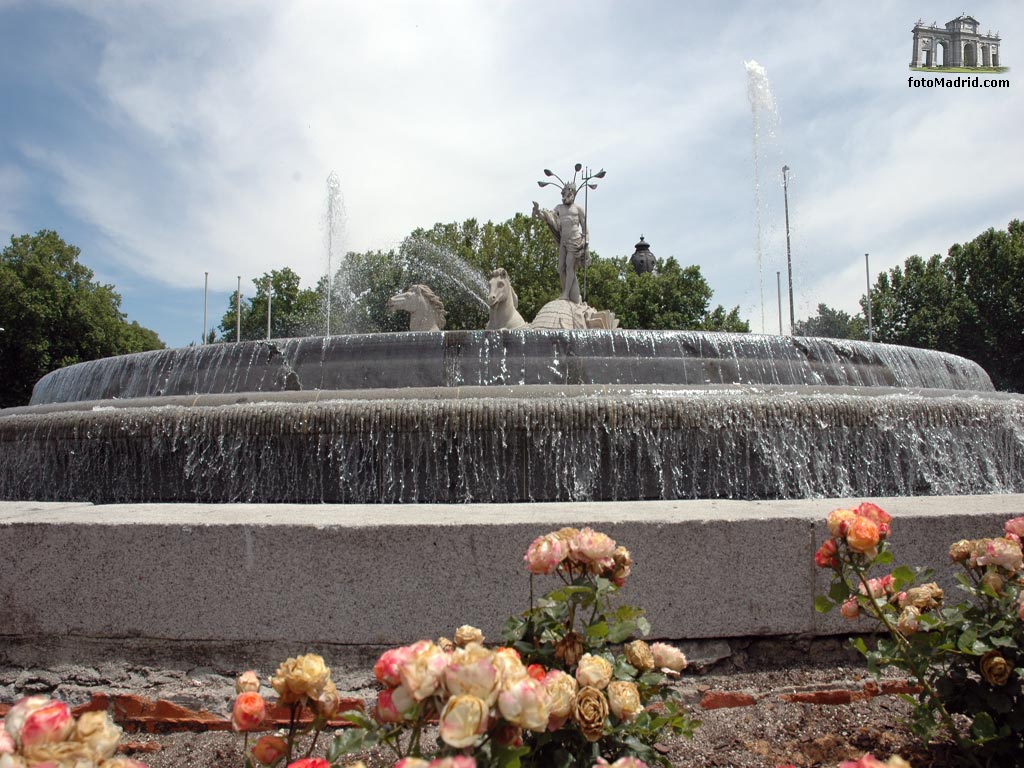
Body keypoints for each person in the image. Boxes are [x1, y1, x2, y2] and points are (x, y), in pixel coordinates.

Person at [532, 183, 587, 303]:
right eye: (563, 194)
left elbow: (585, 229)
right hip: (563, 241)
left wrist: (585, 242)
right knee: (560, 268)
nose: (564, 196)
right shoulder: (559, 208)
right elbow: (548, 217)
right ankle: (567, 291)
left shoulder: (578, 209)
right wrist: (537, 211)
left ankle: (566, 293)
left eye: (567, 194)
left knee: (569, 266)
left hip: (575, 241)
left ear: (572, 194)